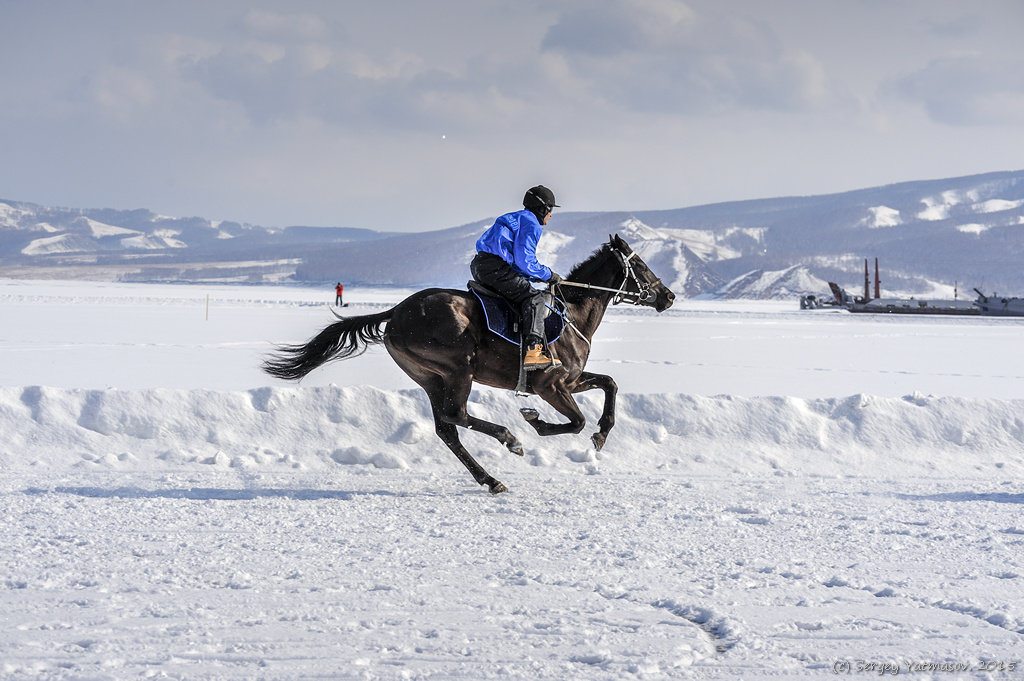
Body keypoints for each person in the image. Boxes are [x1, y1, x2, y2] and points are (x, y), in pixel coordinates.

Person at [471, 185, 564, 370]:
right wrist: (549, 275)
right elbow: (525, 261)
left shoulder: (515, 218)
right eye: (550, 209)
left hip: (481, 265)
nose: (551, 214)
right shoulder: (531, 224)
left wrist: (536, 278)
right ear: (543, 209)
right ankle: (534, 352)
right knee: (535, 298)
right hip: (495, 268)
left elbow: (515, 263)